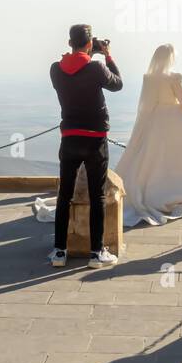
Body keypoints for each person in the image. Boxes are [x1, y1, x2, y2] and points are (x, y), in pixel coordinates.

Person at [113, 44, 182, 226]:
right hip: (176, 119)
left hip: (155, 120)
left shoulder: (149, 78)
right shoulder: (175, 77)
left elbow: (146, 105)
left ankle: (153, 191)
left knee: (154, 158)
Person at [45, 24, 122, 269]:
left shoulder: (55, 70)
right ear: (89, 44)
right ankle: (96, 253)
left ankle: (59, 251)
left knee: (64, 194)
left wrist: (89, 53)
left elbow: (75, 68)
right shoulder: (97, 67)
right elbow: (117, 84)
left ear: (70, 43)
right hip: (95, 138)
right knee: (97, 194)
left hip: (69, 137)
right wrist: (107, 54)